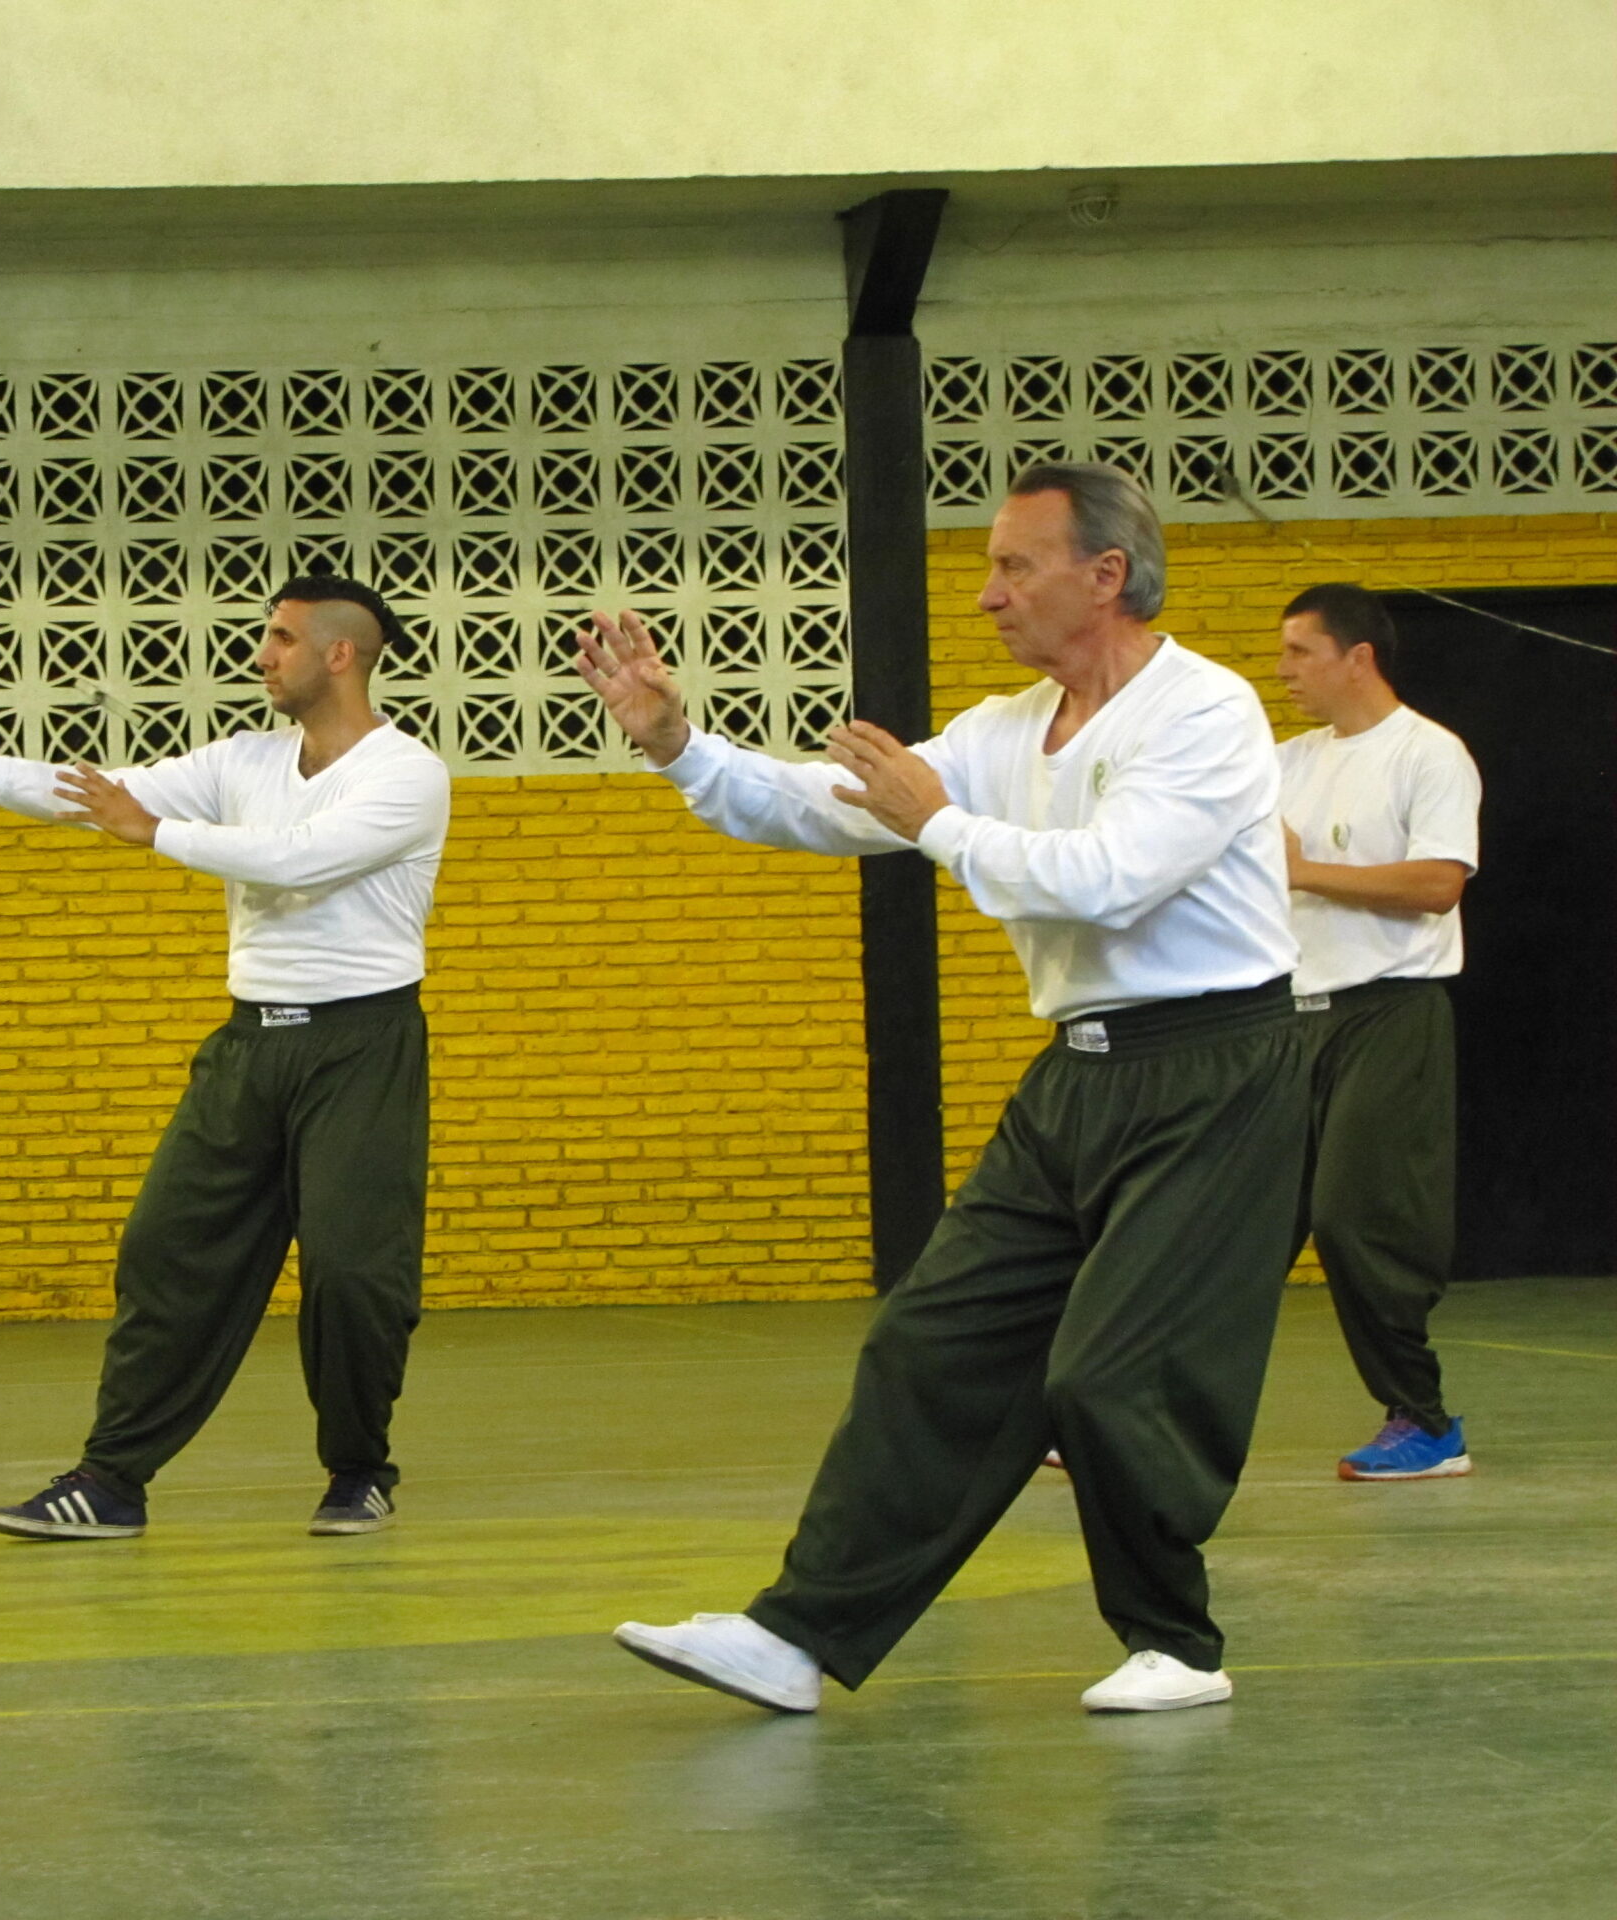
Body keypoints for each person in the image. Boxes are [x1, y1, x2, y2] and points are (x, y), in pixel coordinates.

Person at [585, 463, 1305, 1715]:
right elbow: (830, 804)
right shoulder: (1003, 731)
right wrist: (678, 745)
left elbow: (1106, 880)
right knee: (931, 1344)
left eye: (1013, 566)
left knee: (1108, 1375)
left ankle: (1176, 1645)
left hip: (1217, 1070)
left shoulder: (1205, 710)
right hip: (1076, 1076)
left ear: (1106, 575)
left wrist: (937, 825)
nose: (987, 596)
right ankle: (797, 1636)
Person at [0, 577, 449, 1540]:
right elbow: (98, 796)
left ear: (340, 655)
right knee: (165, 1248)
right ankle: (112, 1480)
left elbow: (303, 857)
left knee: (355, 1273)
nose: (262, 655)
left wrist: (153, 833)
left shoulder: (407, 774)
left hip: (362, 1048)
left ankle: (359, 1468)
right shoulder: (243, 760)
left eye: (282, 639)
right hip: (250, 1046)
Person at [1275, 584, 1480, 1481]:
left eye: (1300, 652)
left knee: (1354, 1219)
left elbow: (1437, 884)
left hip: (1390, 1012)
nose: (1283, 671)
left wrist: (1306, 873)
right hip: (1291, 1021)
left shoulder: (1428, 754)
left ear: (1358, 657)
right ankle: (1135, 1411)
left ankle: (1424, 1423)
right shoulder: (1284, 762)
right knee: (1231, 1226)